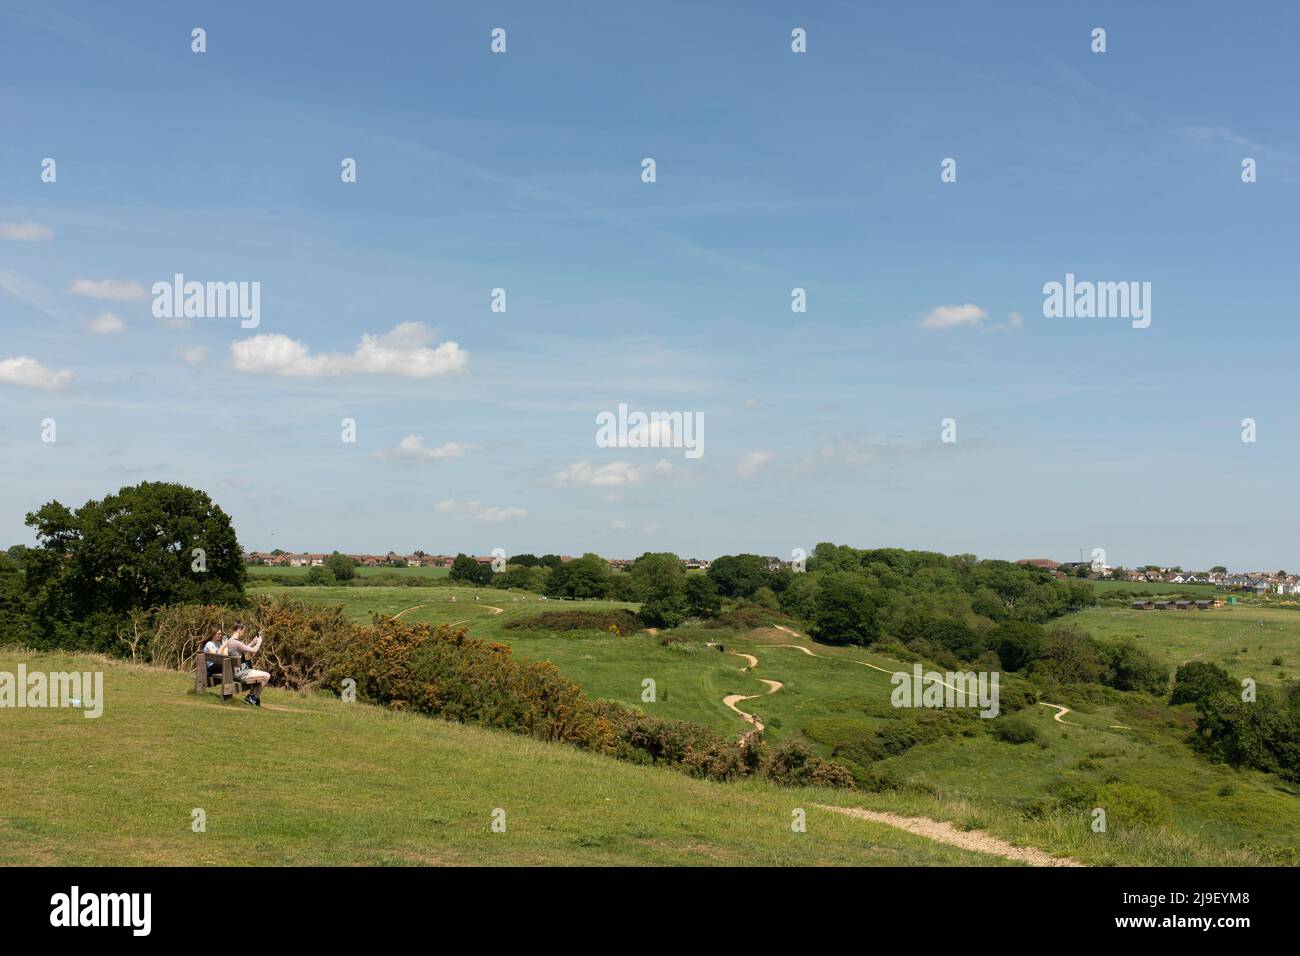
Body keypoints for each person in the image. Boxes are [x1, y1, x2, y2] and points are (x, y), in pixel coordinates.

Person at [225, 623, 270, 707]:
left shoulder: (230, 641)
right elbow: (254, 650)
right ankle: (254, 698)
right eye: (243, 631)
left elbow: (243, 650)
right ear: (239, 629)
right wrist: (259, 642)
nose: (244, 633)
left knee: (260, 677)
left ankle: (251, 697)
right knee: (267, 676)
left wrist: (253, 642)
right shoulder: (237, 642)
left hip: (235, 671)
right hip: (240, 673)